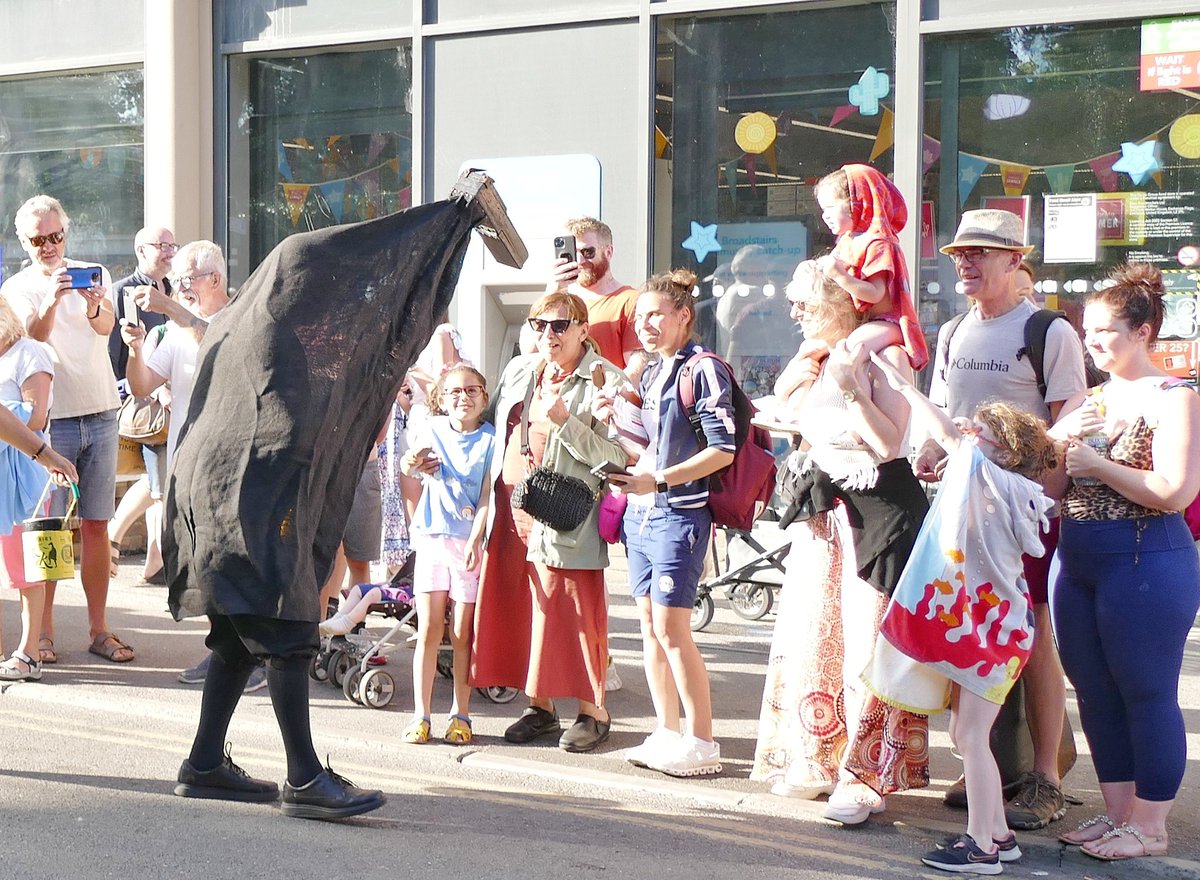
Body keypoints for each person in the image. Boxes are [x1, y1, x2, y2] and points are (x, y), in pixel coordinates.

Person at [864, 351, 1058, 874]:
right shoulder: (1010, 486)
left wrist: (906, 388)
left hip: (990, 631)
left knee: (971, 737)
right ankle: (999, 834)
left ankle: (981, 847)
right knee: (967, 734)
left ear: (1005, 451)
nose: (970, 434)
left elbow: (949, 435)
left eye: (982, 432)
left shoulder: (992, 478)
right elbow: (957, 442)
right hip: (1001, 630)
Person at [749, 261, 929, 820]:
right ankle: (817, 758)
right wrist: (797, 382)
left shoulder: (884, 354)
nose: (794, 311)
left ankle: (866, 775)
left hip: (874, 514)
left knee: (867, 647)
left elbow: (889, 444)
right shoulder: (822, 354)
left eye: (804, 301)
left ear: (842, 299)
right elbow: (800, 421)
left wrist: (851, 388)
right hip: (825, 515)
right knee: (815, 638)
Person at [929, 209, 1086, 830]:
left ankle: (1046, 777)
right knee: (971, 633)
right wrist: (930, 455)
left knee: (1034, 637)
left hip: (1025, 515)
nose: (966, 262)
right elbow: (944, 417)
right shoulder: (952, 333)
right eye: (960, 253)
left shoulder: (1048, 331)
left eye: (980, 253)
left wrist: (1039, 505)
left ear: (1014, 259)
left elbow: (1068, 428)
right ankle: (987, 765)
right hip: (963, 511)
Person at [1048, 263, 1200, 862]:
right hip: (1077, 557)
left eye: (1104, 330)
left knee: (1145, 690)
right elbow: (1054, 486)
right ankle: (1119, 816)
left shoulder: (1175, 397)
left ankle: (1151, 825)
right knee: (1093, 691)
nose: (1091, 341)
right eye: (1086, 330)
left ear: (1142, 331)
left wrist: (1098, 464)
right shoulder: (1092, 398)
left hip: (1145, 559)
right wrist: (1056, 442)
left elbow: (1175, 491)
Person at [470, 292, 626, 754]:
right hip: (514, 506)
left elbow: (619, 457)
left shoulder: (603, 379)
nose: (548, 334)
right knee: (527, 608)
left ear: (583, 329)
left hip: (566, 514)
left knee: (575, 613)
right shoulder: (524, 369)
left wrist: (566, 423)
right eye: (539, 325)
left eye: (559, 325)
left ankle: (593, 713)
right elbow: (489, 426)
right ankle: (540, 707)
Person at [601, 269, 734, 778]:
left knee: (672, 629)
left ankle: (702, 741)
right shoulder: (654, 371)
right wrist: (616, 421)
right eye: (640, 317)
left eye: (656, 314)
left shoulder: (703, 368)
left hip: (679, 513)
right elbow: (646, 446)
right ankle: (666, 730)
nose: (646, 325)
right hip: (641, 513)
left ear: (683, 315)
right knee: (648, 627)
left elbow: (722, 449)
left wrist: (656, 481)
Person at [120, 242, 264, 692]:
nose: (178, 286)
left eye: (187, 279)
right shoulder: (175, 331)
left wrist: (169, 308)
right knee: (203, 562)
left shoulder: (240, 315)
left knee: (232, 561)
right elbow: (143, 385)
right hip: (188, 460)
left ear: (215, 279)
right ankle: (225, 653)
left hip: (231, 462)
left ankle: (252, 656)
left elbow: (219, 346)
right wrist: (135, 347)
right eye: (176, 280)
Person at [0, 195, 130, 665]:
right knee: (49, 530)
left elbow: (105, 327)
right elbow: (31, 337)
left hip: (101, 409)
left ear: (65, 233)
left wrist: (93, 305)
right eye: (39, 240)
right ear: (24, 242)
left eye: (56, 236)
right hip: (52, 421)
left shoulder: (93, 272)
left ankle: (99, 628)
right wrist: (54, 298)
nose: (49, 246)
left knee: (97, 524)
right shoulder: (18, 286)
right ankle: (43, 634)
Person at [371, 364, 494, 746]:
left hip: (467, 546)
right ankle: (421, 716)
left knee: (461, 634)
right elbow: (408, 464)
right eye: (455, 391)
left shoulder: (492, 440)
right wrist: (412, 463)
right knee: (428, 628)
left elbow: (487, 497)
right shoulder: (433, 429)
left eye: (471, 390)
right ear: (441, 398)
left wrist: (475, 540)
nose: (463, 397)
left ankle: (461, 714)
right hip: (431, 540)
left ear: (484, 397)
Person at [107, 225, 177, 583]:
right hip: (148, 405)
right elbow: (112, 358)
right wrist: (143, 390)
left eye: (172, 245)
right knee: (159, 485)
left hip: (178, 402)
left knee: (157, 483)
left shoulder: (176, 291)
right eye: (160, 245)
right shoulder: (124, 293)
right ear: (140, 250)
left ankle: (154, 559)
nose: (168, 251)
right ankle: (116, 535)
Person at [813, 164, 928, 371]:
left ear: (858, 203)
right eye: (822, 210)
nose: (824, 216)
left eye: (830, 208)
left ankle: (855, 388)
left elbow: (875, 293)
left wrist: (839, 276)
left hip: (887, 322)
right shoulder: (847, 241)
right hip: (861, 322)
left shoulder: (878, 243)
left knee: (852, 351)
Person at [0, 299, 56, 682]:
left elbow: (36, 415)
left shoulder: (29, 352)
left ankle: (29, 652)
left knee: (26, 568)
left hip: (24, 477)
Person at [547, 217, 642, 375]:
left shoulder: (631, 300)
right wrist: (551, 293)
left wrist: (610, 390)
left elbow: (636, 368)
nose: (580, 260)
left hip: (603, 388)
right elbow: (530, 350)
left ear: (608, 252)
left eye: (588, 252)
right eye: (573, 253)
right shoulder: (561, 301)